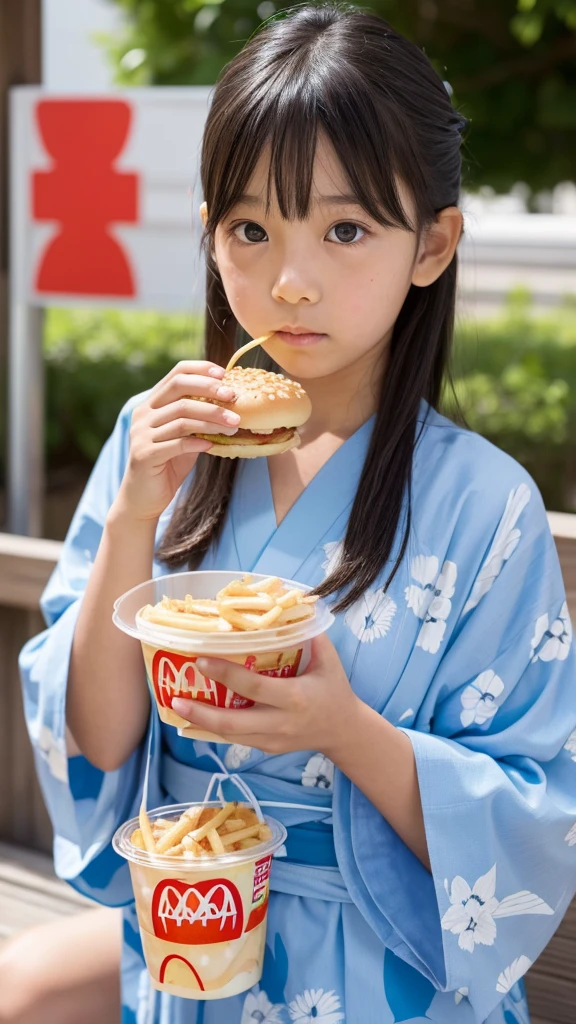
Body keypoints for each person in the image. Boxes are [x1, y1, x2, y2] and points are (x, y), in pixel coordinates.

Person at [19, 5, 576, 1023]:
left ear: (433, 244)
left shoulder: (487, 508)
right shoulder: (159, 444)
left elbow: (533, 811)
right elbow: (96, 744)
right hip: (192, 938)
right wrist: (139, 508)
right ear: (209, 235)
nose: (288, 279)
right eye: (249, 228)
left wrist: (344, 729)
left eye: (346, 228)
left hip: (386, 967)